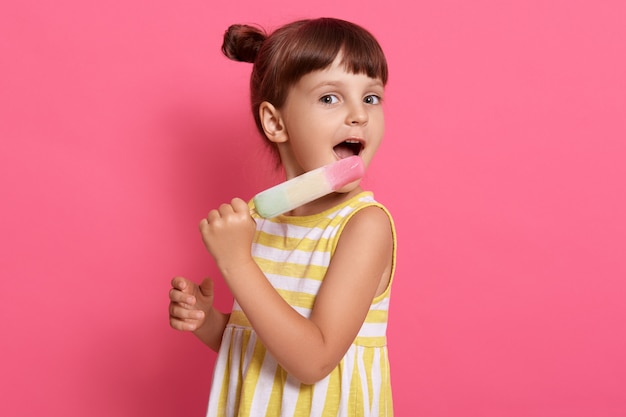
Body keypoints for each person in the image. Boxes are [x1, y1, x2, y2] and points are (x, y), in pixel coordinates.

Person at [169, 17, 397, 417]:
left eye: (371, 98)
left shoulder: (364, 226)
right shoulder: (260, 221)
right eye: (330, 98)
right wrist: (208, 323)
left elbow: (313, 359)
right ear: (275, 122)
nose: (359, 115)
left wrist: (236, 263)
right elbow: (266, 343)